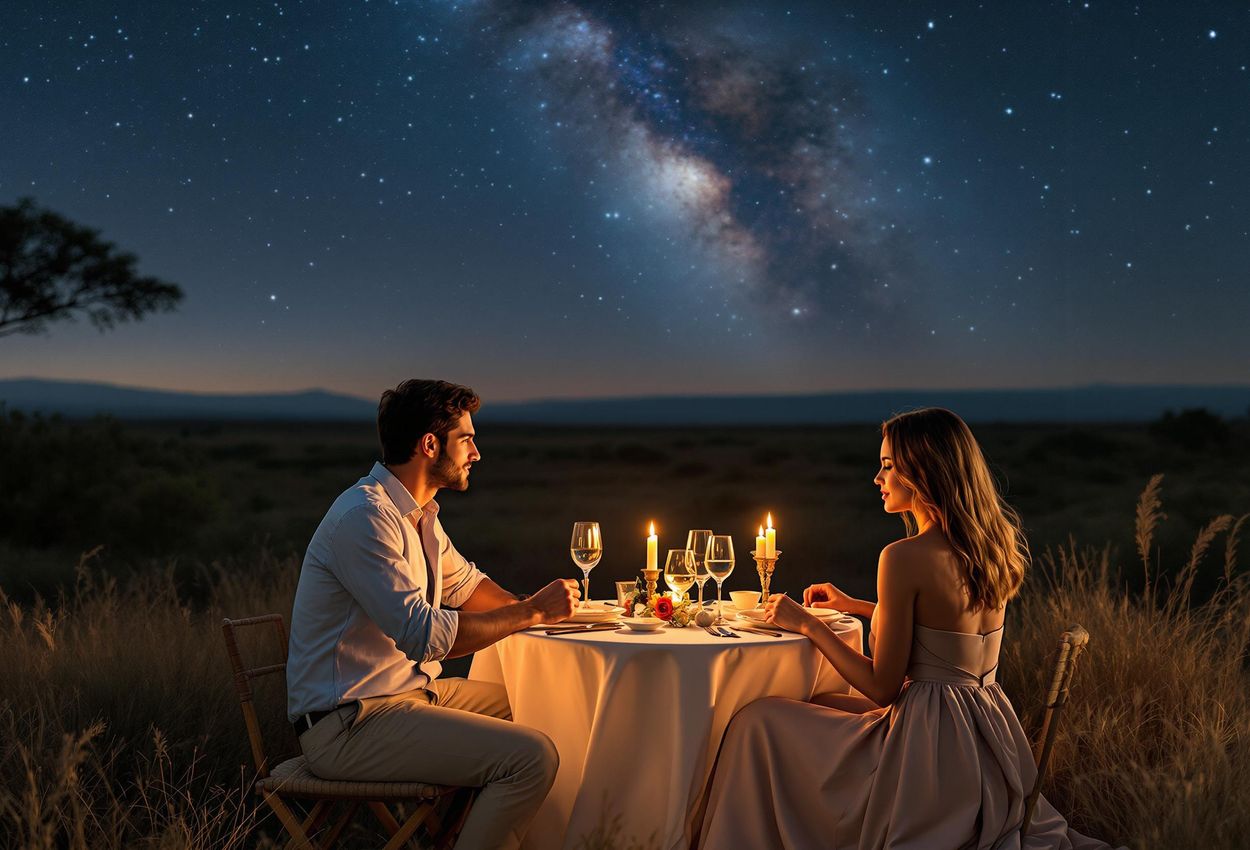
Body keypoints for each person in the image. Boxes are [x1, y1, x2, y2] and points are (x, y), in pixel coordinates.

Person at [698, 407, 1125, 850]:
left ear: (922, 471)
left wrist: (806, 624)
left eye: (887, 465)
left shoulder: (902, 556)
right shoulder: (992, 544)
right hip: (985, 729)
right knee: (821, 699)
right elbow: (944, 630)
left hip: (927, 741)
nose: (876, 478)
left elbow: (883, 687)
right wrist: (857, 606)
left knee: (758, 720)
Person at [286, 378, 580, 850]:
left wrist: (550, 612)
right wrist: (529, 613)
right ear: (429, 444)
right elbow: (423, 635)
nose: (476, 453)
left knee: (538, 699)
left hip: (409, 697)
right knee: (531, 757)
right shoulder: (364, 518)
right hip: (349, 724)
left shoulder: (419, 515)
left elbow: (467, 587)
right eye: (467, 439)